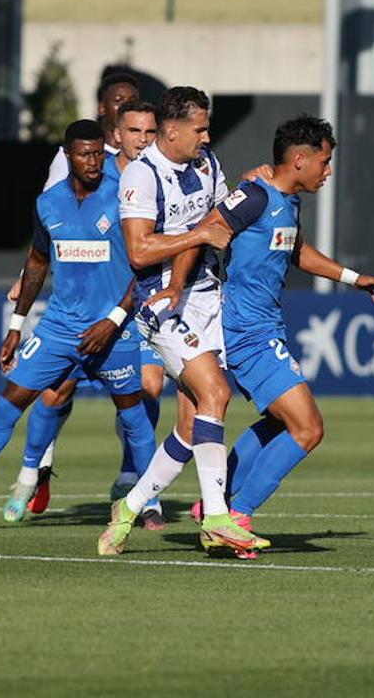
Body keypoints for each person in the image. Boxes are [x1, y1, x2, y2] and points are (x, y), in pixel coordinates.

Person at [0, 120, 157, 530]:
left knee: (135, 418)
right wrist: (16, 326)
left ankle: (149, 509)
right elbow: (37, 264)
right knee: (4, 410)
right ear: (68, 156)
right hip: (58, 329)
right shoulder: (49, 204)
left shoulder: (123, 198)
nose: (95, 161)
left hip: (115, 331)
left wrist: (114, 320)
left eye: (99, 153)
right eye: (85, 154)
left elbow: (144, 263)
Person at [179, 114, 374, 552]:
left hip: (264, 329)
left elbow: (295, 250)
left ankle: (214, 505)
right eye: (325, 160)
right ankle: (236, 514)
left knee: (282, 421)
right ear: (299, 159)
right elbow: (202, 234)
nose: (328, 170)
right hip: (245, 331)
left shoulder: (286, 201)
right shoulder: (255, 196)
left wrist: (355, 278)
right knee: (308, 428)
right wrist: (176, 288)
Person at [97, 86, 266, 557]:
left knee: (193, 424)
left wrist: (258, 188)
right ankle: (216, 517)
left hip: (208, 296)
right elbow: (138, 251)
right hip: (161, 305)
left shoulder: (207, 164)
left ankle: (127, 510)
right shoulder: (142, 176)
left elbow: (216, 223)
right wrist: (187, 253)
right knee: (216, 393)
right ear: (172, 130)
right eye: (201, 128)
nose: (208, 135)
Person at [9, 101, 170, 530]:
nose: (141, 138)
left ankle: (137, 486)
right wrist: (26, 279)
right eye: (132, 129)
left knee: (148, 390)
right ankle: (35, 470)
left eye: (149, 131)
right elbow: (51, 232)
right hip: (92, 303)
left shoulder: (169, 170)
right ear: (114, 130)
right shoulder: (89, 171)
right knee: (55, 391)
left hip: (146, 302)